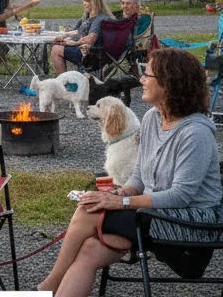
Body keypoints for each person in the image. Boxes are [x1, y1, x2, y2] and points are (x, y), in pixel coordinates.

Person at [38, 48, 222, 296]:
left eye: (148, 75)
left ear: (169, 83)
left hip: (190, 222)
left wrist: (120, 202)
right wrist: (123, 190)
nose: (141, 80)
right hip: (154, 213)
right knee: (90, 249)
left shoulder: (195, 133)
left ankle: (47, 286)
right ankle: (50, 289)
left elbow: (180, 196)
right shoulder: (151, 118)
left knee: (89, 209)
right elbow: (140, 175)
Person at [51, 0, 114, 75]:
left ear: (94, 2)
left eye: (86, 1)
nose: (84, 3)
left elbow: (90, 40)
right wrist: (63, 36)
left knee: (56, 49)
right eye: (83, 0)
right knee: (56, 45)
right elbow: (77, 31)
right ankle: (63, 80)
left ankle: (62, 82)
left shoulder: (99, 19)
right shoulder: (87, 16)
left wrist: (69, 43)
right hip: (85, 50)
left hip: (93, 54)